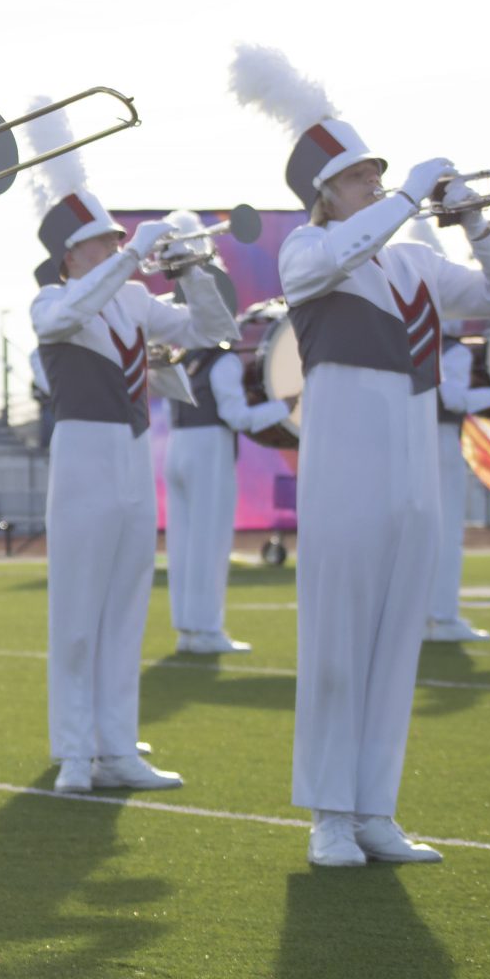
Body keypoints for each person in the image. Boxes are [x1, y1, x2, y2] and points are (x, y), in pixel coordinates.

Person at [232, 43, 490, 869]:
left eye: (378, 173)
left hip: (410, 446)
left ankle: (375, 808)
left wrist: (477, 219)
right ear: (326, 190)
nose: (376, 181)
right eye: (362, 174)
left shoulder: (414, 261)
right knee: (338, 627)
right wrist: (403, 196)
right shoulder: (306, 251)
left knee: (400, 624)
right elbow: (335, 255)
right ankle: (328, 811)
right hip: (346, 449)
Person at [29, 171, 235, 791]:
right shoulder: (50, 299)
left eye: (119, 237)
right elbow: (67, 315)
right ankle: (72, 751)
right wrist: (132, 258)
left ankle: (117, 748)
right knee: (77, 609)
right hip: (83, 452)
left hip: (133, 450)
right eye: (104, 240)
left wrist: (192, 271)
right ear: (71, 254)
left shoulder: (135, 302)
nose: (118, 246)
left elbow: (210, 330)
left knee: (125, 604)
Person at [157, 219, 293, 656]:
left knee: (183, 544)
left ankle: (187, 628)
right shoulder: (222, 359)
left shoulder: (183, 353)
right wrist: (284, 408)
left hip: (179, 446)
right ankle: (208, 630)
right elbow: (237, 416)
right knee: (211, 542)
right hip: (209, 446)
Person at [427, 329, 490, 643]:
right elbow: (454, 399)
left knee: (421, 534)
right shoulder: (453, 350)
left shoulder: (404, 338)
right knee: (447, 533)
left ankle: (420, 617)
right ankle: (442, 617)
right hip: (441, 438)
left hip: (405, 438)